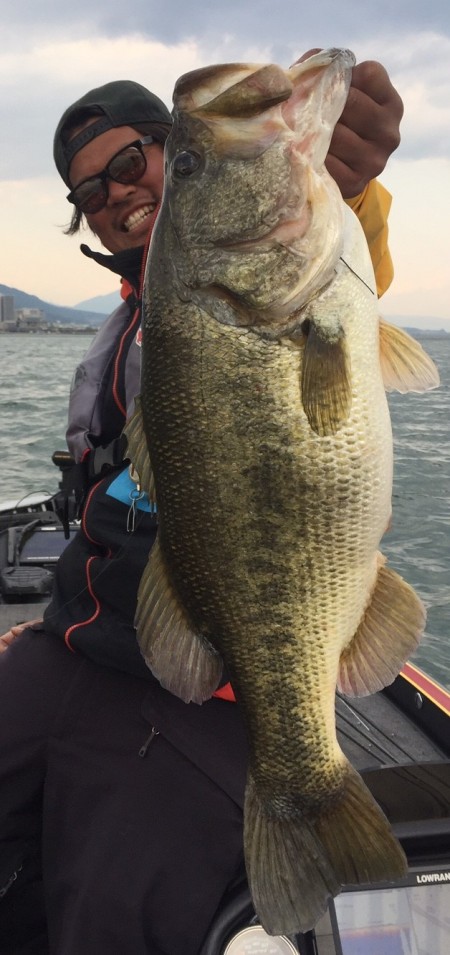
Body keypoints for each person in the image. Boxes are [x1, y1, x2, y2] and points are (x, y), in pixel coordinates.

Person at [0, 56, 403, 955]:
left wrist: (352, 187)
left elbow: (335, 276)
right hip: (78, 642)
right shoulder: (129, 320)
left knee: (112, 916)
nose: (116, 192)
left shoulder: (260, 281)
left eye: (137, 161)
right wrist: (41, 628)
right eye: (90, 190)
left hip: (203, 683)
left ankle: (299, 789)